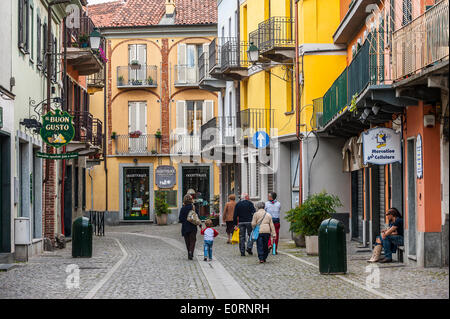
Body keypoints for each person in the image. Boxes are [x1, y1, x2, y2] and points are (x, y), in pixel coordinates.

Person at [179, 194, 201, 260]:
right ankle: (191, 251)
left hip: (185, 227)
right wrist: (199, 224)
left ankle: (189, 252)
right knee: (193, 240)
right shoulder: (193, 208)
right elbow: (197, 217)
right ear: (191, 200)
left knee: (187, 241)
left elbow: (180, 218)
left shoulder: (182, 208)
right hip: (193, 227)